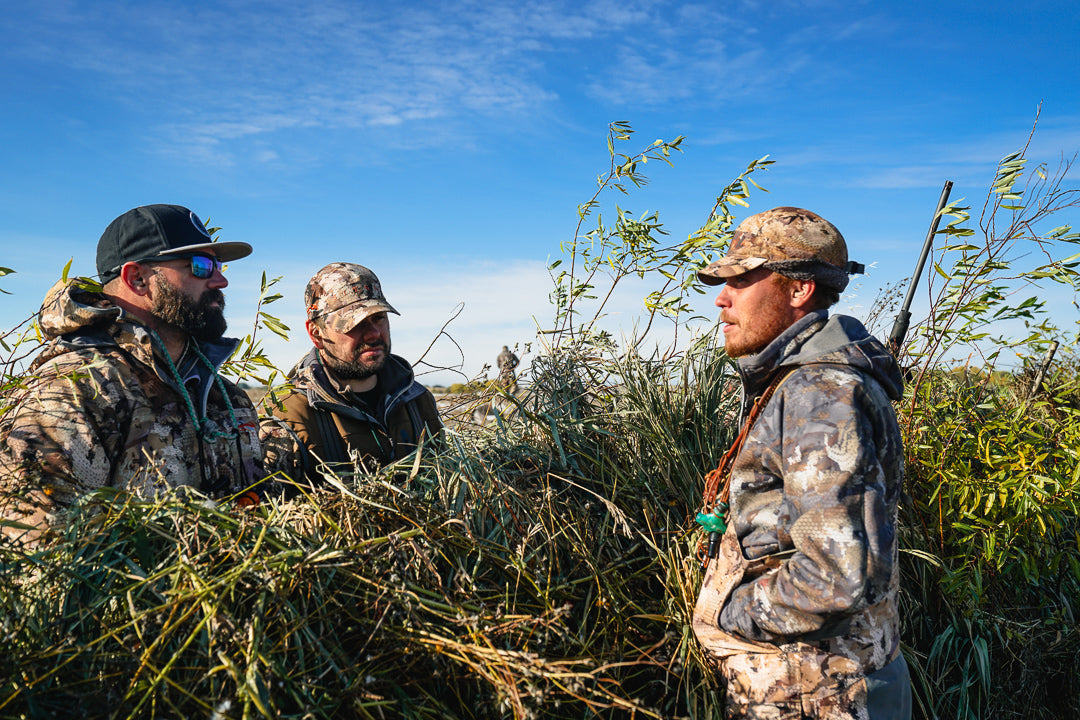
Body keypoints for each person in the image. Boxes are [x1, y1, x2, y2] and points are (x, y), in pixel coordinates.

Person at [690, 207, 910, 719]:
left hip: (816, 693)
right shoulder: (799, 381)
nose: (721, 298)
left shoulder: (819, 392)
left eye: (742, 280)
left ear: (798, 291)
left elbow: (834, 577)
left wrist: (728, 612)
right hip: (826, 681)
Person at [0, 204, 264, 547]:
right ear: (136, 278)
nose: (221, 279)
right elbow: (42, 564)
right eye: (200, 266)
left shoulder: (227, 397)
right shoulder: (71, 393)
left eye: (217, 265)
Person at [260, 262, 442, 490]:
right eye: (354, 323)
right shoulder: (286, 416)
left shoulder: (417, 400)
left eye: (379, 318)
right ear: (316, 334)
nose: (374, 333)